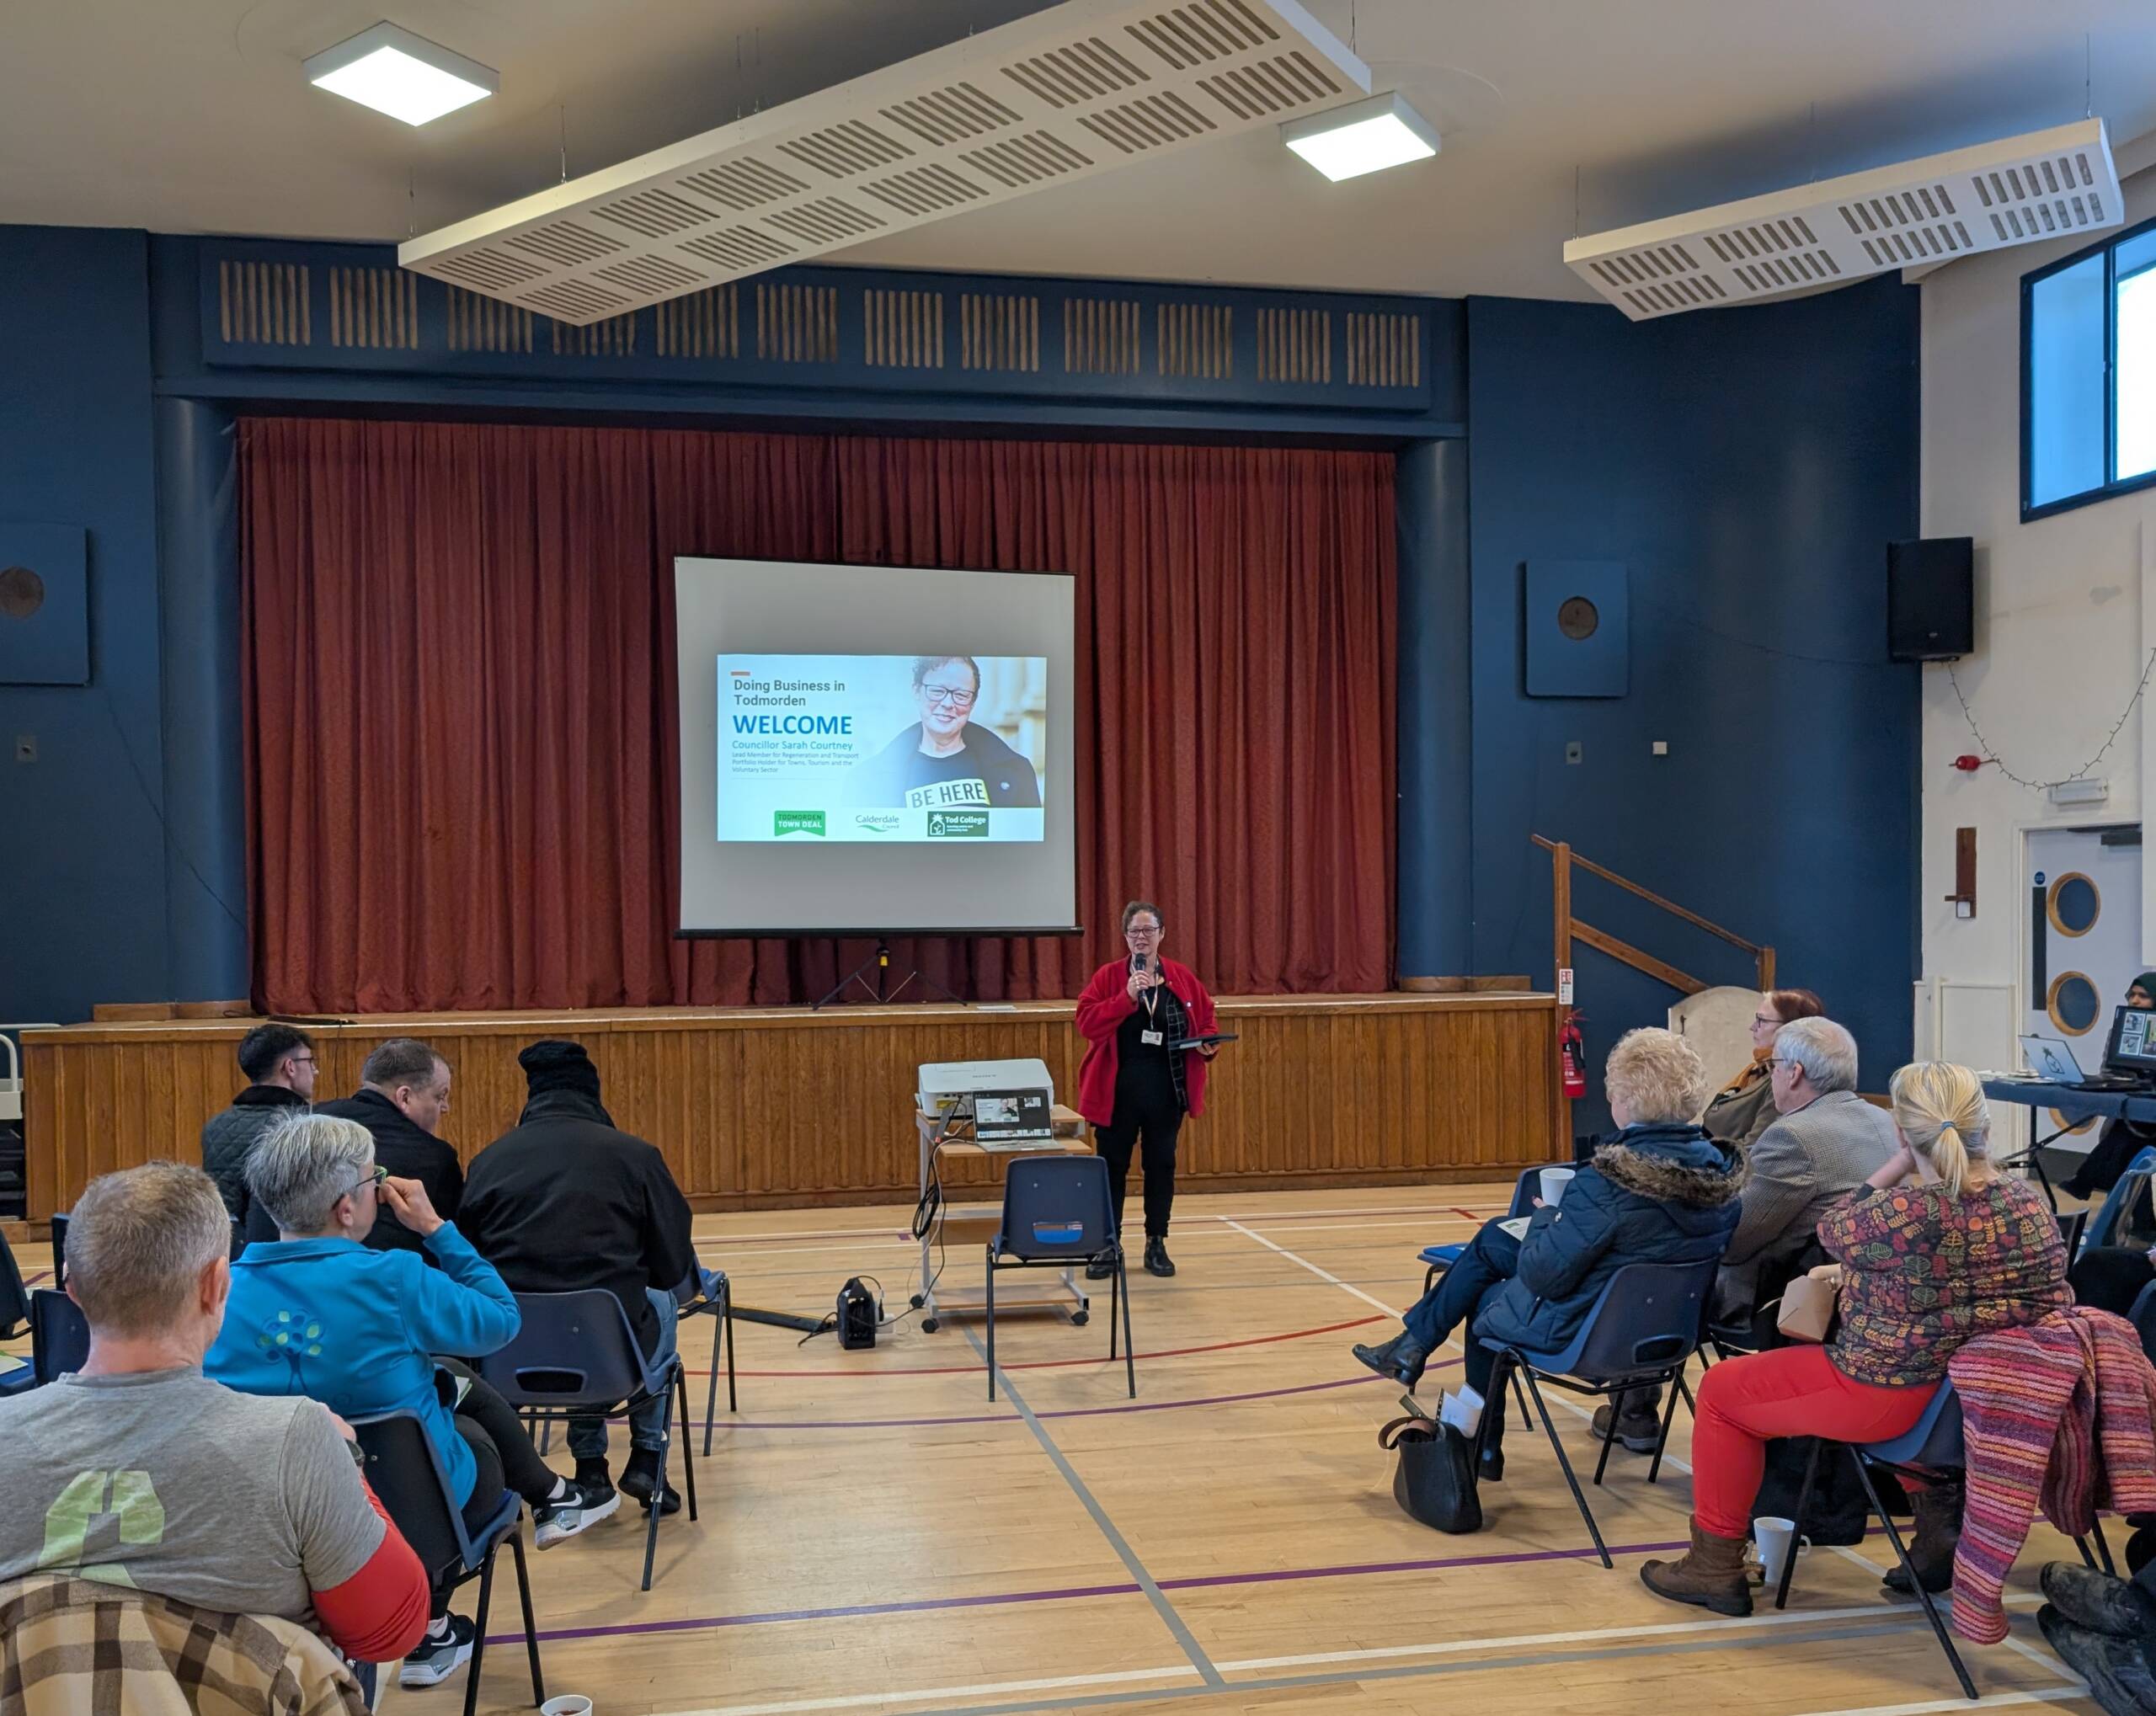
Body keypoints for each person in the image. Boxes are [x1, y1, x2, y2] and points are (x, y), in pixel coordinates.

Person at [1640, 1063, 2070, 1617]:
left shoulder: (1900, 1213)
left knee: (1722, 1391)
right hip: (1988, 1402)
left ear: (1902, 1133)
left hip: (1892, 1401)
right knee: (1933, 1362)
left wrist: (1895, 1166)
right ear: (1983, 1125)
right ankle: (1939, 1528)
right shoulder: (2031, 1205)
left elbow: (1834, 1226)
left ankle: (1713, 1565)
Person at [210, 1115, 613, 1691]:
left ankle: (440, 1618)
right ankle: (437, 1612)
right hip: (412, 1520)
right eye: (374, 1177)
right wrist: (434, 1228)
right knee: (460, 1429)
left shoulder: (219, 1291)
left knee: (441, 1386)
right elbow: (500, 1320)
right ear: (347, 1209)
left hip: (276, 1524)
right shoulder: (395, 1277)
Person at [0, 1161, 430, 1666]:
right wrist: (345, 1464)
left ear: (71, 1288)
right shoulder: (296, 1440)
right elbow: (388, 1633)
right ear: (216, 1285)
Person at [1352, 1028, 1744, 1474]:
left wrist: (1547, 1217)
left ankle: (1476, 1448)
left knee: (1486, 1308)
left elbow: (1544, 1276)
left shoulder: (1610, 1182)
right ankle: (1413, 1348)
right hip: (1672, 1326)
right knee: (1498, 1236)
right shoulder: (1722, 1175)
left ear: (1624, 1101)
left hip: (1591, 1335)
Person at [1598, 1015, 1894, 1452]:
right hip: (1870, 1295)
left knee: (1658, 1265)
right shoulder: (1883, 1120)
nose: (1771, 1074)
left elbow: (1734, 1243)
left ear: (1794, 1073)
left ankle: (1635, 1413)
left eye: (1774, 1065)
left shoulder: (1795, 1136)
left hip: (1788, 1299)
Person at [458, 1041, 696, 1516]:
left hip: (512, 1358)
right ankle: (648, 1455)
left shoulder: (488, 1161)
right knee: (650, 1306)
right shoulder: (636, 1157)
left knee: (574, 1322)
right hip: (614, 1358)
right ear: (594, 1094)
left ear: (532, 1096)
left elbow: (467, 1266)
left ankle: (589, 1467)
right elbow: (673, 1269)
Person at [1072, 901, 1221, 1279]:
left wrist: (1208, 1044)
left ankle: (1157, 1242)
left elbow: (1206, 1019)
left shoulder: (1182, 977)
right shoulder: (1108, 977)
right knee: (1111, 1169)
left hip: (1165, 1092)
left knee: (1161, 1167)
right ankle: (1108, 1244)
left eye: (1148, 931)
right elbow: (1087, 1024)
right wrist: (1126, 998)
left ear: (1162, 935)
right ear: (1125, 938)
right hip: (1117, 1094)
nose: (1141, 938)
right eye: (1135, 932)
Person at [291, 1037, 462, 1260]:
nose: (445, 1108)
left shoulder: (301, 1126)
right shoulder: (435, 1157)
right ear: (405, 1097)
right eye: (440, 1096)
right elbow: (450, 1248)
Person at [848, 655, 1042, 813]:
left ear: (972, 703)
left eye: (961, 695)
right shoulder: (867, 778)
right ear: (916, 691)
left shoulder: (1016, 771)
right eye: (937, 691)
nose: (948, 704)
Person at [200, 1022, 318, 1223]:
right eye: (310, 1061)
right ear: (290, 1067)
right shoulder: (306, 1127)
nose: (315, 1070)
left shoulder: (215, 1126)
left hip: (227, 1243)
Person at [2063, 972, 2156, 1201]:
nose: (2134, 1001)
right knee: (2130, 1139)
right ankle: (2140, 1223)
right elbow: (2107, 1072)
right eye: (2131, 995)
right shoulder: (2119, 1031)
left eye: (2142, 996)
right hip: (2131, 1115)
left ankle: (2085, 1180)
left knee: (2129, 1140)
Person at [1702, 989, 1826, 1148]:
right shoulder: (1760, 1069)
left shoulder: (1787, 1079)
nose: (1753, 1027)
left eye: (1762, 1020)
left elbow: (1756, 1148)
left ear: (1789, 1028)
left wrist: (1699, 1154)